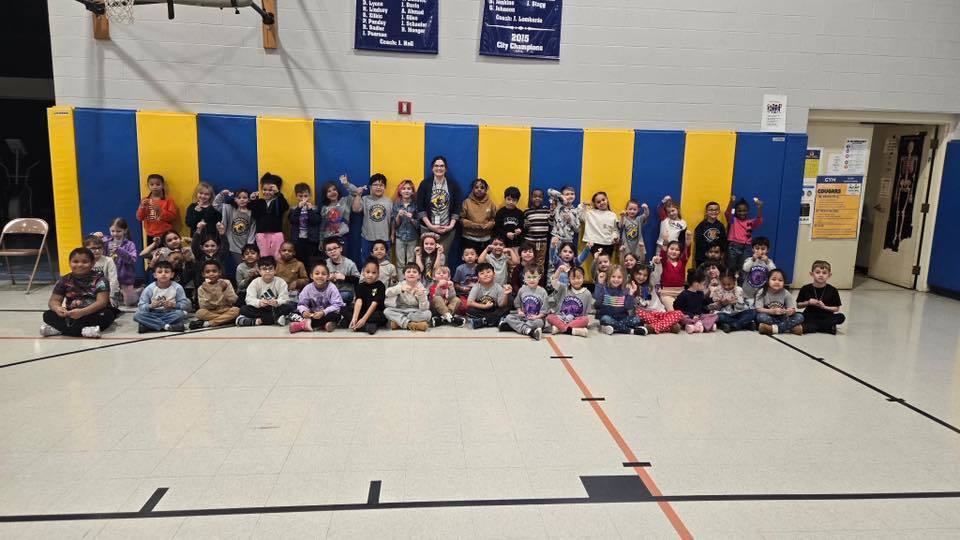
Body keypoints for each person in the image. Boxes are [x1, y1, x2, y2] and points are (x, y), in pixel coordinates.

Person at [40, 247, 115, 338]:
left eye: (85, 262)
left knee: (107, 315)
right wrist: (57, 308)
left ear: (92, 263)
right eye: (75, 261)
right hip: (71, 314)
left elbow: (102, 302)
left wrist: (82, 312)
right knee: (48, 315)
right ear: (69, 263)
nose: (80, 265)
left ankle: (61, 329)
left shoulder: (100, 280)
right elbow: (54, 300)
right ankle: (83, 330)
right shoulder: (64, 280)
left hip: (92, 313)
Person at [417, 156, 461, 255]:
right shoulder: (425, 184)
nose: (439, 168)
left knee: (442, 257)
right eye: (436, 166)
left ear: (446, 168)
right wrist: (430, 226)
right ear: (432, 168)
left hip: (447, 230)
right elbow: (420, 206)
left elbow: (457, 207)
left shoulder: (453, 185)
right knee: (427, 257)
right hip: (427, 228)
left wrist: (450, 226)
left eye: (442, 166)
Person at [237, 256, 298, 326]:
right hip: (261, 309)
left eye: (270, 269)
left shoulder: (281, 282)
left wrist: (277, 302)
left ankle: (260, 321)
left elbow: (285, 298)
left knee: (289, 307)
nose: (267, 271)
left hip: (275, 308)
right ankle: (276, 318)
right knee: (243, 309)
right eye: (264, 269)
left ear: (275, 270)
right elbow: (249, 299)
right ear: (259, 271)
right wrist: (259, 302)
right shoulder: (255, 282)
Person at [133, 260, 191, 333]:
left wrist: (173, 305)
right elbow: (141, 305)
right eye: (160, 272)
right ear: (155, 275)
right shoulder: (149, 288)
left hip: (170, 313)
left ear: (172, 274)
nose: (163, 274)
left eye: (166, 272)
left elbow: (185, 304)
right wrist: (150, 306)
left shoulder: (177, 287)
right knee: (137, 315)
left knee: (180, 314)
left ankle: (148, 325)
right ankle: (167, 327)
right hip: (153, 313)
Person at [289, 262, 345, 333]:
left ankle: (302, 325)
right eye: (317, 273)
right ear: (311, 276)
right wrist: (304, 312)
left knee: (336, 316)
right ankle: (322, 325)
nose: (320, 276)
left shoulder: (332, 287)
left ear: (328, 277)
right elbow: (302, 304)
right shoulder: (307, 288)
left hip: (326, 314)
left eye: (323, 274)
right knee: (291, 314)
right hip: (312, 314)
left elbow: (337, 305)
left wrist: (323, 312)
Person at [352, 173, 393, 261]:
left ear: (385, 187)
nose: (378, 187)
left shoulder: (389, 201)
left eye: (381, 185)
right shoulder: (365, 199)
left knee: (384, 264)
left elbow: (392, 220)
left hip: (384, 239)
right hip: (367, 238)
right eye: (375, 185)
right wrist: (358, 195)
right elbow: (356, 209)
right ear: (370, 187)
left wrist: (392, 234)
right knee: (367, 263)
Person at [796, 260, 845, 334]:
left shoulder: (833, 290)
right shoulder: (805, 288)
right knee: (797, 315)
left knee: (841, 317)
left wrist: (824, 307)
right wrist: (808, 302)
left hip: (826, 316)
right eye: (817, 272)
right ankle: (826, 328)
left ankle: (812, 327)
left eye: (824, 273)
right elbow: (798, 305)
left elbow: (836, 308)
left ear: (829, 275)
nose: (821, 275)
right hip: (810, 315)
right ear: (812, 274)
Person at [633, 262, 683, 334]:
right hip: (646, 314)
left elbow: (657, 274)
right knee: (637, 312)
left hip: (658, 312)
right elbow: (636, 305)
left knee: (679, 313)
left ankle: (652, 328)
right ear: (634, 274)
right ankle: (668, 326)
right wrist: (632, 292)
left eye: (645, 275)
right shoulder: (630, 286)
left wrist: (658, 264)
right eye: (639, 274)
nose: (641, 277)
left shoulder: (649, 285)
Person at [98, 218, 139, 306]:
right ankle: (119, 294)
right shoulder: (106, 241)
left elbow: (133, 259)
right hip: (109, 276)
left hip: (125, 276)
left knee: (129, 303)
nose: (115, 234)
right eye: (112, 231)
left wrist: (119, 250)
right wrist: (95, 235)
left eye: (119, 231)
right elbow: (92, 242)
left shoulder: (129, 244)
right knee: (109, 301)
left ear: (125, 230)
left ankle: (138, 292)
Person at [594, 265, 645, 335]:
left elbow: (628, 307)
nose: (616, 279)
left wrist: (631, 293)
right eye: (613, 276)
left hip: (622, 318)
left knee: (637, 319)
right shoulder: (604, 288)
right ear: (609, 277)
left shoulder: (625, 290)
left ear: (623, 278)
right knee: (605, 319)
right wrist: (599, 283)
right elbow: (596, 297)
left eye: (619, 277)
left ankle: (615, 328)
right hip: (607, 317)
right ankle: (630, 330)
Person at [500, 267, 548, 340]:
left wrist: (537, 317)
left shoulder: (543, 292)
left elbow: (544, 310)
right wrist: (519, 311)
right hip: (524, 317)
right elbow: (518, 303)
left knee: (539, 323)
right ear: (524, 278)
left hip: (535, 319)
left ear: (539, 277)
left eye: (534, 277)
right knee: (509, 317)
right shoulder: (522, 290)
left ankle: (515, 327)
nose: (531, 280)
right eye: (529, 277)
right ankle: (528, 330)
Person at [546, 264, 593, 337]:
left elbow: (586, 313)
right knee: (550, 317)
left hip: (575, 320)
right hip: (561, 318)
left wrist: (584, 321)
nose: (576, 280)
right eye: (573, 278)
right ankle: (572, 331)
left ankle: (559, 329)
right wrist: (559, 270)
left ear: (583, 278)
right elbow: (553, 282)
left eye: (579, 278)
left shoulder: (587, 294)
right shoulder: (564, 288)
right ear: (569, 279)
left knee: (585, 320)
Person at [190, 260, 240, 329]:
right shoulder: (201, 288)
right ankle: (226, 320)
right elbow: (203, 306)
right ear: (203, 274)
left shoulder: (226, 283)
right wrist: (209, 293)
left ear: (219, 272)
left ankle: (210, 323)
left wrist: (224, 290)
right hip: (211, 311)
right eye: (207, 272)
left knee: (236, 310)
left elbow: (234, 300)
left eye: (214, 271)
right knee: (199, 313)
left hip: (226, 309)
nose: (211, 274)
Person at [250, 172, 289, 259]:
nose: (267, 192)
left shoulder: (278, 200)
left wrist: (278, 193)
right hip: (262, 234)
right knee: (263, 257)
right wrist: (253, 201)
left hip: (277, 234)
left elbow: (285, 206)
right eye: (264, 189)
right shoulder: (260, 202)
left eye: (270, 190)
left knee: (278, 257)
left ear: (276, 190)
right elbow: (254, 215)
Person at [214, 188, 257, 265]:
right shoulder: (229, 209)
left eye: (244, 197)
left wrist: (249, 245)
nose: (242, 200)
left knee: (246, 266)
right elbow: (216, 205)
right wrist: (222, 194)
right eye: (239, 197)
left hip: (245, 245)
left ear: (249, 200)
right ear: (235, 200)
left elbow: (252, 230)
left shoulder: (252, 213)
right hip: (232, 245)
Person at [726, 196, 763, 281]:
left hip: (746, 248)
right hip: (733, 247)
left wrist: (760, 208)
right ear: (736, 211)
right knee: (731, 267)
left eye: (744, 210)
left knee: (744, 268)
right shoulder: (733, 220)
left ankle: (741, 285)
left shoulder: (750, 222)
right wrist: (731, 202)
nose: (742, 213)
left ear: (748, 211)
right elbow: (728, 213)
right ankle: (730, 284)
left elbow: (759, 220)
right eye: (739, 211)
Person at [384, 263, 431, 331]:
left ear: (419, 276)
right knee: (386, 311)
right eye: (408, 272)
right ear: (404, 275)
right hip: (401, 310)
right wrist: (400, 289)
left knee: (428, 313)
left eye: (414, 272)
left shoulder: (421, 288)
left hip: (415, 312)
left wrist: (421, 296)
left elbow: (424, 308)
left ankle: (399, 322)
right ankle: (410, 324)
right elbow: (387, 293)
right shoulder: (401, 285)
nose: (411, 274)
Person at [755, 269, 803, 335]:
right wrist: (772, 311)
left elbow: (792, 309)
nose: (777, 282)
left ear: (784, 282)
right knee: (760, 317)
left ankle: (771, 329)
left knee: (800, 316)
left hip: (783, 317)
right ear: (768, 281)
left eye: (780, 280)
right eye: (774, 279)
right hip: (768, 316)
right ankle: (790, 328)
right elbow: (758, 309)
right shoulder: (762, 292)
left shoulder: (786, 293)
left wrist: (791, 311)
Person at [465, 262, 512, 329]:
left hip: (494, 310)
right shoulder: (476, 287)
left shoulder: (498, 287)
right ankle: (495, 321)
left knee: (506, 308)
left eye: (488, 272)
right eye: (482, 273)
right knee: (470, 310)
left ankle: (483, 321)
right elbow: (469, 302)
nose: (486, 275)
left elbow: (501, 305)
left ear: (494, 274)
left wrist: (505, 294)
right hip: (481, 309)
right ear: (478, 278)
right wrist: (484, 306)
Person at [318, 175, 359, 251]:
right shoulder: (324, 208)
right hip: (328, 239)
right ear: (325, 194)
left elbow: (356, 192)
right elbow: (323, 226)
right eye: (329, 191)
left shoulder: (346, 201)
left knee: (341, 258)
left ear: (338, 191)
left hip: (341, 238)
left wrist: (346, 184)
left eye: (334, 189)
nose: (332, 192)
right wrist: (321, 241)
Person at [656, 230, 694, 311]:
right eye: (672, 249)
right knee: (674, 312)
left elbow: (687, 251)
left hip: (681, 293)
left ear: (680, 253)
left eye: (677, 250)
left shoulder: (682, 262)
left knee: (687, 312)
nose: (674, 251)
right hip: (667, 294)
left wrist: (688, 239)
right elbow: (663, 252)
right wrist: (665, 240)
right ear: (668, 250)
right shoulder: (664, 262)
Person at [349, 258, 388, 334]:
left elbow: (374, 304)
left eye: (374, 273)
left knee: (382, 315)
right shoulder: (360, 285)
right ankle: (365, 325)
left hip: (374, 312)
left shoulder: (380, 285)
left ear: (378, 274)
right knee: (344, 309)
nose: (370, 275)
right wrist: (354, 318)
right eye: (367, 272)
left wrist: (364, 319)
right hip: (363, 311)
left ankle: (359, 325)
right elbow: (359, 301)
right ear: (363, 272)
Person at [711, 268, 756, 333]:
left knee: (752, 312)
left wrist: (736, 303)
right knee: (718, 316)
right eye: (723, 284)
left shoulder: (739, 290)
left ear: (734, 280)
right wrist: (721, 303)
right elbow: (713, 307)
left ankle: (732, 326)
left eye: (729, 284)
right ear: (720, 281)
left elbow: (742, 307)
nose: (726, 287)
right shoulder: (717, 290)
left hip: (738, 313)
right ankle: (744, 325)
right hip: (725, 314)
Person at [674, 268, 718, 334]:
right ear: (696, 284)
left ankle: (697, 326)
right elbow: (678, 310)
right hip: (689, 317)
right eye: (703, 284)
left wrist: (712, 300)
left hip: (699, 316)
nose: (704, 286)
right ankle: (702, 325)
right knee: (683, 318)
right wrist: (691, 316)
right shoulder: (684, 295)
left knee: (715, 315)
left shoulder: (700, 293)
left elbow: (703, 303)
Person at [287, 182, 321, 268]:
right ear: (296, 196)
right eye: (300, 196)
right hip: (298, 240)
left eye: (305, 196)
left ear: (309, 196)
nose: (303, 199)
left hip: (311, 240)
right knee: (299, 261)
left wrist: (310, 210)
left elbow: (315, 221)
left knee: (311, 262)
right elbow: (292, 220)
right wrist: (298, 208)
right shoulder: (293, 209)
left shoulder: (314, 208)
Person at [460, 178, 497, 255]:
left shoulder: (490, 203)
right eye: (476, 187)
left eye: (482, 187)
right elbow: (461, 219)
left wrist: (490, 224)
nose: (479, 189)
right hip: (469, 238)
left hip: (485, 239)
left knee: (483, 260)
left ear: (486, 190)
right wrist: (474, 225)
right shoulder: (467, 202)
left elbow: (494, 219)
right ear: (472, 189)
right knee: (469, 260)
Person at [136, 173, 178, 241]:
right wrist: (142, 207)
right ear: (148, 186)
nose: (155, 187)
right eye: (152, 184)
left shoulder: (168, 200)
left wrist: (160, 211)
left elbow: (172, 217)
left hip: (166, 234)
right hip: (150, 234)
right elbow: (139, 217)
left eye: (158, 184)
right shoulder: (145, 200)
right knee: (151, 248)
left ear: (163, 185)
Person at [84, 234, 120, 309]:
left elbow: (113, 280)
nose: (97, 251)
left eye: (100, 248)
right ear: (85, 249)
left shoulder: (108, 260)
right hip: (90, 293)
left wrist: (111, 296)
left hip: (107, 292)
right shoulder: (83, 261)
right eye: (93, 248)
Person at [580, 191, 619, 257]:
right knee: (598, 260)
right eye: (598, 202)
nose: (602, 202)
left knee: (606, 262)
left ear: (607, 200)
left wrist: (615, 237)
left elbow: (615, 229)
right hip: (595, 243)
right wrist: (585, 204)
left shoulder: (613, 215)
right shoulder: (591, 213)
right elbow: (581, 216)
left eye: (603, 200)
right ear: (595, 204)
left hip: (608, 243)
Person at [323, 237, 359, 305]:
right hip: (329, 292)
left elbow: (358, 280)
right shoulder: (325, 264)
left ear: (340, 249)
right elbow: (318, 280)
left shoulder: (350, 264)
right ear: (326, 253)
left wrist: (344, 277)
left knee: (345, 295)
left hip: (345, 292)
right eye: (329, 250)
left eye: (335, 248)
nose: (332, 251)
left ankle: (330, 304)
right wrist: (327, 278)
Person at [392, 179, 419, 268]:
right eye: (403, 188)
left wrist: (411, 219)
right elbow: (395, 225)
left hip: (413, 237)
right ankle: (401, 277)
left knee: (411, 261)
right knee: (400, 263)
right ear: (400, 191)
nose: (406, 191)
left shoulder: (416, 205)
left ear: (412, 191)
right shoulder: (396, 205)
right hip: (400, 237)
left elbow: (418, 225)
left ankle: (410, 276)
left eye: (409, 188)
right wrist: (398, 216)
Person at [741, 236, 775, 306]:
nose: (760, 251)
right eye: (757, 248)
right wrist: (752, 260)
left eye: (763, 249)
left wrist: (767, 262)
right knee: (748, 307)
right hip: (748, 291)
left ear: (768, 250)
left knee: (760, 306)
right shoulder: (749, 260)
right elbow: (745, 269)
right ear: (752, 249)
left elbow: (774, 272)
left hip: (762, 291)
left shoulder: (769, 261)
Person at [523, 188, 551, 273]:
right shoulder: (527, 211)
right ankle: (526, 277)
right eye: (535, 196)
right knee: (528, 260)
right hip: (529, 240)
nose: (537, 198)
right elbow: (524, 226)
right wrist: (525, 225)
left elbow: (551, 222)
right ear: (531, 198)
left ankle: (539, 279)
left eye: (540, 197)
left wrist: (552, 211)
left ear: (542, 198)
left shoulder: (546, 210)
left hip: (542, 241)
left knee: (540, 261)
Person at [694, 201, 726, 268]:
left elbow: (723, 240)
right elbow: (699, 241)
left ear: (719, 211)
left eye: (716, 210)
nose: (713, 211)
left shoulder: (720, 226)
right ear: (706, 212)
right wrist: (706, 251)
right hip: (702, 257)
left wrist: (721, 252)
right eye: (711, 210)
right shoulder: (701, 226)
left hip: (716, 258)